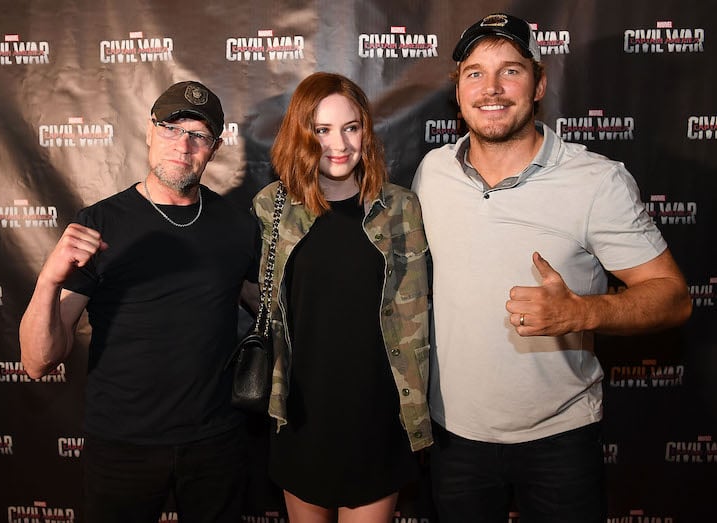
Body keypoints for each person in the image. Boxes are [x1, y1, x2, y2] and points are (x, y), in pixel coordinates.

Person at [412, 13, 692, 523]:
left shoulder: (596, 181)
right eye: (474, 73)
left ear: (539, 84)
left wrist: (581, 312)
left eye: (511, 71)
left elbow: (672, 296)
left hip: (560, 439)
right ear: (458, 91)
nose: (491, 88)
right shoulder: (433, 172)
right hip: (454, 437)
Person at [19, 80, 260, 523]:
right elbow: (38, 362)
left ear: (214, 147)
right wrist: (48, 281)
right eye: (171, 128)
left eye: (199, 135)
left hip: (215, 443)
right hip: (122, 447)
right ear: (149, 131)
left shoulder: (238, 227)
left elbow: (271, 315)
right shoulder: (101, 222)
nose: (183, 144)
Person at [252, 72, 433, 522]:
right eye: (322, 129)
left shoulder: (400, 208)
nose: (339, 143)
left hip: (377, 414)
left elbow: (414, 309)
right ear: (301, 133)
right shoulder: (271, 206)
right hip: (301, 413)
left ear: (365, 132)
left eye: (351, 127)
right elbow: (260, 296)